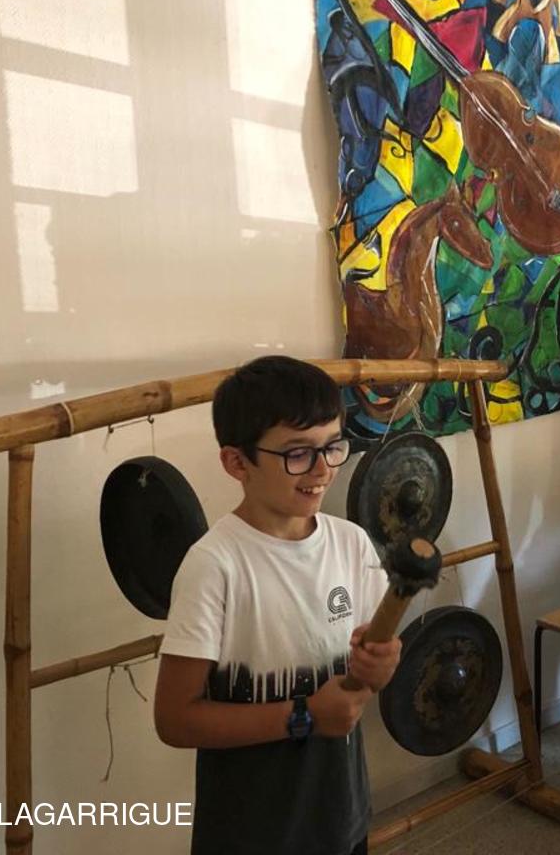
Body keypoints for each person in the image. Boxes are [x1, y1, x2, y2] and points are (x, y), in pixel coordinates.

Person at [154, 356, 400, 855]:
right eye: (298, 453)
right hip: (251, 832)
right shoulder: (214, 565)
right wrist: (303, 715)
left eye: (333, 446)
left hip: (341, 814)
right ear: (236, 463)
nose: (323, 469)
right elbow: (175, 719)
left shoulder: (351, 544)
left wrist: (383, 665)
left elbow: (369, 675)